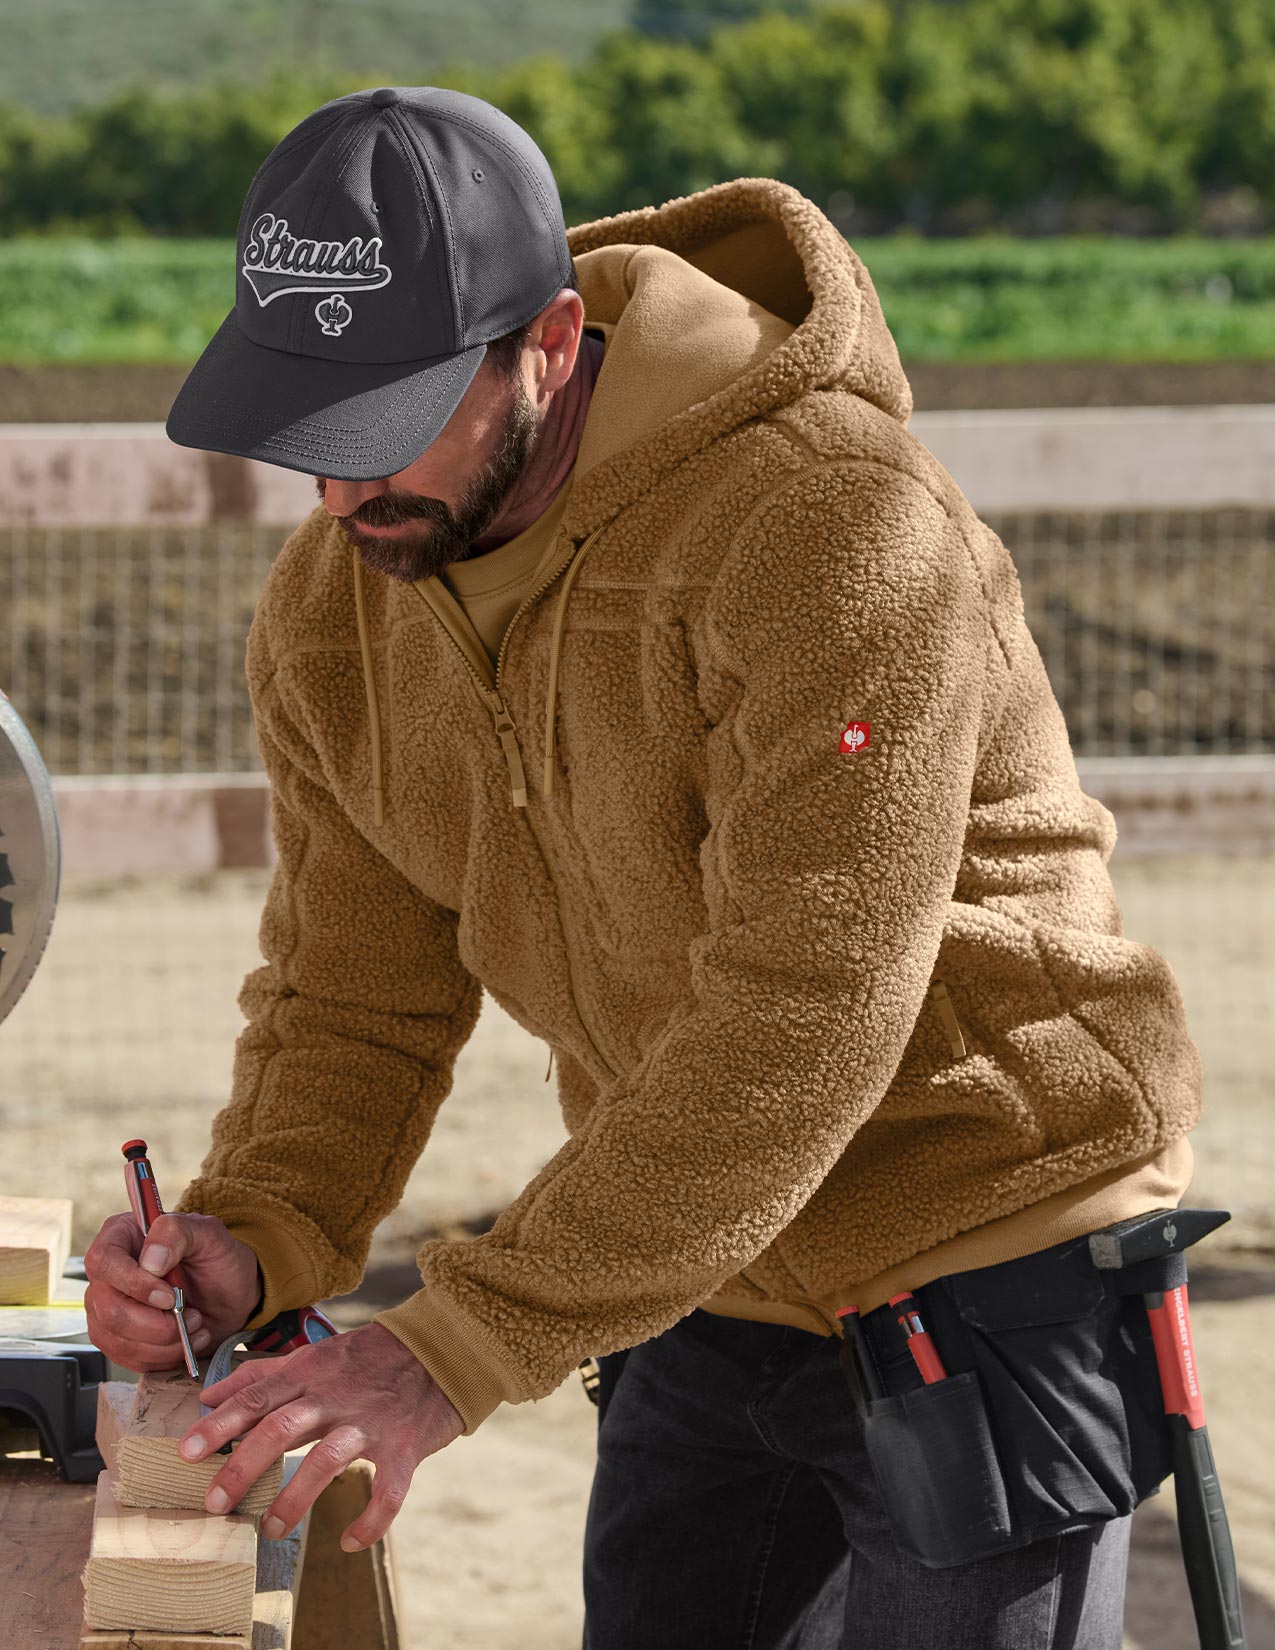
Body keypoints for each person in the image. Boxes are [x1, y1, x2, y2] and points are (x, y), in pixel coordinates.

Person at [84, 86, 1202, 1648]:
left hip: (980, 1234)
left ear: (546, 341)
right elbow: (354, 996)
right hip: (685, 1259)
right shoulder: (334, 612)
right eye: (306, 433)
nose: (341, 495)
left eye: (385, 424)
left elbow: (803, 1012)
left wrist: (443, 1349)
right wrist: (257, 1224)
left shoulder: (830, 525)